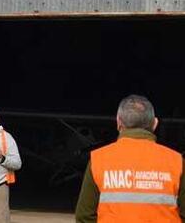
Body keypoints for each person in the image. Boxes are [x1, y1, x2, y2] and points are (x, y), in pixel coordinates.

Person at [75, 94, 185, 222]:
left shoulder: (98, 160)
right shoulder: (177, 162)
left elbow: (84, 216)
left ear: (118, 121)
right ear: (155, 124)